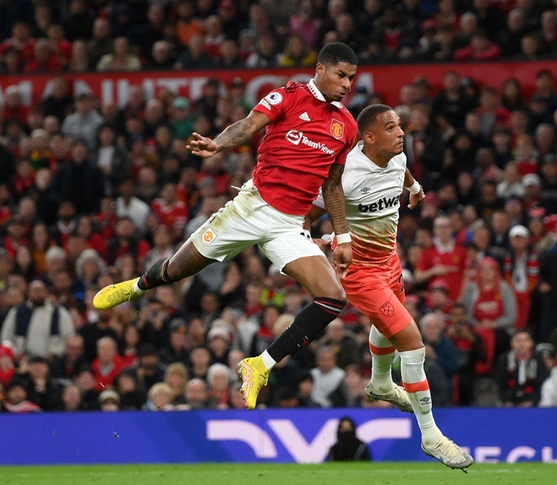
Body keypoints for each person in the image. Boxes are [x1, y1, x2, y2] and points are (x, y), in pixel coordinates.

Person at [91, 43, 360, 412]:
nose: (347, 84)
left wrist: (342, 236)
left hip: (289, 224)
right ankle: (136, 287)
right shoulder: (289, 96)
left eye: (351, 77)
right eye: (341, 74)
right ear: (320, 69)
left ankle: (258, 365)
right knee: (175, 270)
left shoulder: (346, 124)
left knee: (333, 298)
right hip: (251, 208)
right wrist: (217, 144)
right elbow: (248, 126)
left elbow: (332, 185)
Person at [306, 104, 472, 470]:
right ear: (368, 137)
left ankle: (381, 383)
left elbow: (403, 173)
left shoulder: (397, 158)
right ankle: (432, 436)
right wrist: (317, 241)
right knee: (411, 341)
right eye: (391, 127)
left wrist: (415, 188)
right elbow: (307, 216)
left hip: (390, 263)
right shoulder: (345, 174)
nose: (400, 132)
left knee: (389, 328)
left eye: (399, 125)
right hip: (359, 272)